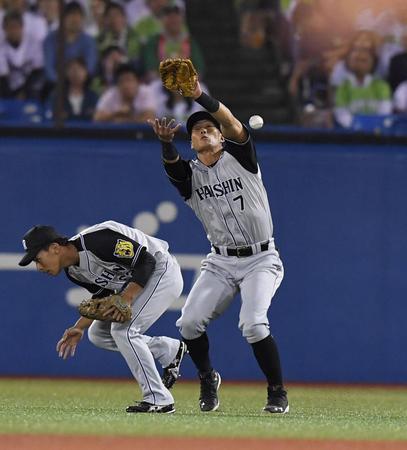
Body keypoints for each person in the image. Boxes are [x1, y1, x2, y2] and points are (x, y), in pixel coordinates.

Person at [149, 68, 289, 414]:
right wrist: (167, 142)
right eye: (197, 130)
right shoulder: (191, 176)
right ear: (192, 143)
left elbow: (228, 119)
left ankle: (277, 392)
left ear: (222, 138)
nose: (204, 131)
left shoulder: (242, 157)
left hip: (261, 258)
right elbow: (172, 166)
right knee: (188, 323)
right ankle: (207, 376)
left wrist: (199, 96)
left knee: (254, 325)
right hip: (221, 261)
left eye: (209, 128)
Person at [18, 220, 187, 413]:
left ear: (55, 248)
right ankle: (167, 349)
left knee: (124, 331)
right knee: (98, 334)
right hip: (139, 280)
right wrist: (79, 327)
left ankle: (159, 399)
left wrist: (127, 297)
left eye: (37, 259)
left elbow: (146, 261)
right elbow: (104, 293)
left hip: (162, 271)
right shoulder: (73, 272)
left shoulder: (97, 242)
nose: (38, 267)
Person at [0, 10, 44, 99]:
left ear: (22, 27)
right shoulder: (2, 48)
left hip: (30, 87)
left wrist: (25, 92)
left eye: (16, 27)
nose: (13, 31)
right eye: (10, 27)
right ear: (4, 29)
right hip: (9, 90)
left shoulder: (33, 44)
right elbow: (3, 79)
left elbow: (38, 71)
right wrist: (14, 97)